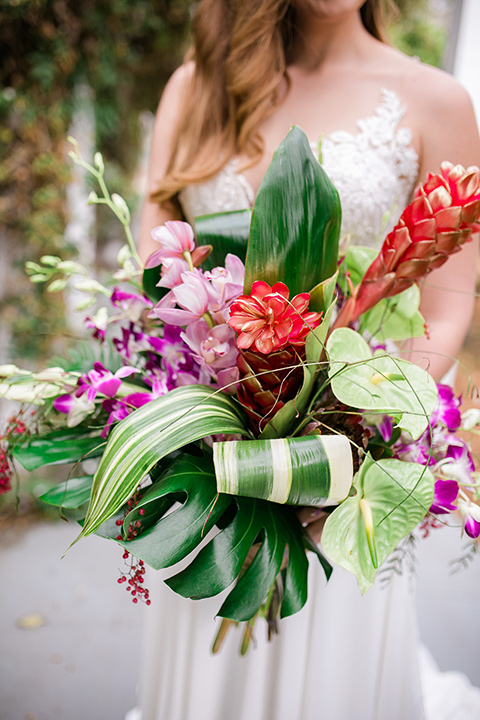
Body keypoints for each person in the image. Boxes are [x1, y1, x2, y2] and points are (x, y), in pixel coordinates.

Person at [132, 1, 480, 718]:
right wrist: (202, 415)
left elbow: (447, 304)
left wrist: (356, 428)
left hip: (341, 471)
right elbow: (151, 262)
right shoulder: (196, 87)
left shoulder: (436, 100)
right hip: (212, 461)